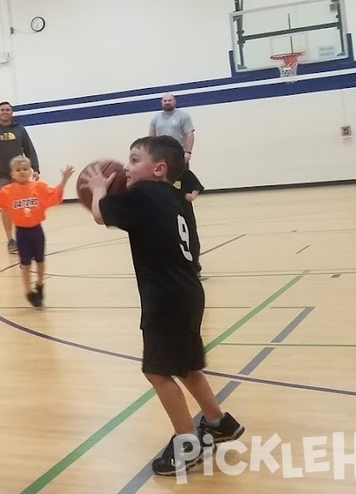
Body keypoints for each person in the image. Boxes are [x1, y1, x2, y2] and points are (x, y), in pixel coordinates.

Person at [82, 136, 243, 476]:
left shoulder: (143, 194)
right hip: (189, 290)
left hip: (164, 297)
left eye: (134, 159)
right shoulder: (179, 199)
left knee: (156, 370)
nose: (126, 166)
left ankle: (187, 443)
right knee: (186, 365)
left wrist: (98, 188)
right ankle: (218, 422)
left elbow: (100, 216)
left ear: (158, 168)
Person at [0, 156, 73, 308]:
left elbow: (55, 194)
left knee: (41, 260)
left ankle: (40, 284)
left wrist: (64, 180)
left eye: (25, 169)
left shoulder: (39, 187)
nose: (22, 172)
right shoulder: (8, 191)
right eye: (18, 170)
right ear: (12, 174)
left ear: (30, 171)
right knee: (25, 264)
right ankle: (29, 291)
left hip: (37, 230)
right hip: (22, 233)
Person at [0, 101, 39, 254]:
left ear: (11, 112)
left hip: (19, 175)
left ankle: (24, 235)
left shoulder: (20, 130)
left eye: (7, 110)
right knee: (6, 206)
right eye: (2, 110)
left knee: (20, 204)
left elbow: (30, 150)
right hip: (0, 174)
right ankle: (10, 240)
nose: (5, 112)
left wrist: (35, 169)